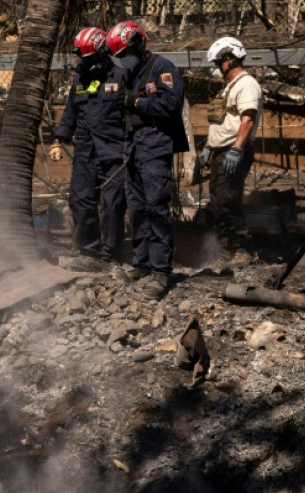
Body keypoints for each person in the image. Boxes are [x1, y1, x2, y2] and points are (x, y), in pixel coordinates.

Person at [106, 21, 189, 298]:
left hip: (155, 148)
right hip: (134, 149)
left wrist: (136, 103)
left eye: (125, 53)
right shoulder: (130, 74)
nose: (122, 59)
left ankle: (160, 271)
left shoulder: (161, 67)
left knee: (156, 210)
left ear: (139, 44)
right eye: (119, 56)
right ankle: (141, 264)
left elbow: (171, 104)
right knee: (137, 210)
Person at [51, 27, 128, 265]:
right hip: (85, 152)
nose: (84, 63)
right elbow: (71, 113)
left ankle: (111, 253)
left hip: (114, 152)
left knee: (113, 205)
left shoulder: (121, 76)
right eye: (81, 59)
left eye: (88, 58)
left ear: (102, 53)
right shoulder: (80, 80)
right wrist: (59, 139)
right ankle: (89, 251)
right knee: (80, 201)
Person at [200, 37, 262, 264]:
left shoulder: (247, 84)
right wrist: (208, 147)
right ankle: (225, 251)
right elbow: (222, 122)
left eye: (218, 63)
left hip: (233, 151)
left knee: (228, 201)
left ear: (229, 60)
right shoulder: (230, 87)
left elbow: (248, 119)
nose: (217, 68)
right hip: (221, 152)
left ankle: (244, 249)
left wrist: (236, 150)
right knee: (218, 203)